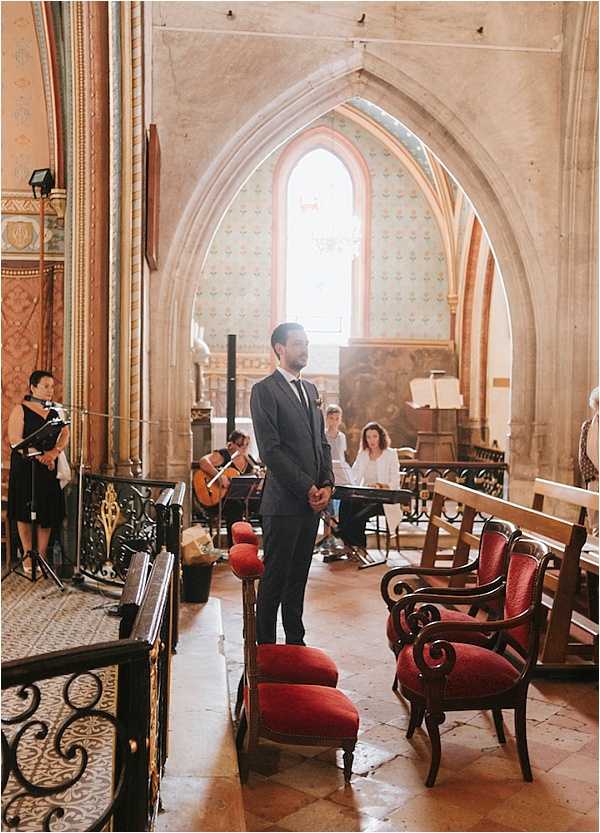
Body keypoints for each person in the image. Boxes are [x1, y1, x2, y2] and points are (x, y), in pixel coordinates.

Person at [250, 322, 333, 645]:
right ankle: (266, 649)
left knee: (298, 578)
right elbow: (271, 450)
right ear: (279, 349)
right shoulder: (265, 390)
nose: (305, 349)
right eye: (298, 343)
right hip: (283, 504)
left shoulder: (311, 391)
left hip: (311, 504)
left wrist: (326, 484)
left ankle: (295, 642)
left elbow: (321, 443)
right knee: (274, 580)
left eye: (307, 343)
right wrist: (306, 487)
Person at [7, 370, 70, 573]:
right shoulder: (20, 409)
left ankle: (41, 556)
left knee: (48, 510)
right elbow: (15, 439)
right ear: (33, 387)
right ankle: (27, 555)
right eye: (46, 386)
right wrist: (40, 456)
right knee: (24, 511)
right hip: (25, 466)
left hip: (48, 466)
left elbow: (65, 434)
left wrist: (54, 453)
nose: (50, 390)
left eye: (52, 386)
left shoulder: (56, 411)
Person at [335, 421, 399, 555]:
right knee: (346, 502)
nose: (372, 440)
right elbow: (354, 476)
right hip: (366, 495)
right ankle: (350, 545)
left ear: (381, 437)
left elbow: (395, 482)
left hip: (384, 499)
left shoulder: (390, 454)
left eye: (374, 436)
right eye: (368, 437)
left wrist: (380, 485)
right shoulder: (363, 454)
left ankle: (355, 544)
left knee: (358, 511)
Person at [196, 430, 256, 548]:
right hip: (217, 498)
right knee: (235, 507)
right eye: (240, 445)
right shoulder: (224, 455)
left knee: (263, 504)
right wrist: (218, 476)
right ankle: (234, 546)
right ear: (231, 444)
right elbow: (203, 461)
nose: (243, 448)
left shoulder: (249, 461)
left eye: (246, 445)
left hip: (242, 498)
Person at [321, 404, 347, 551]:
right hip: (327, 472)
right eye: (331, 418)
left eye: (337, 418)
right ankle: (327, 537)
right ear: (327, 419)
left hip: (339, 473)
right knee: (327, 509)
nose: (334, 421)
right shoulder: (323, 435)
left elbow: (342, 455)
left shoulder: (342, 437)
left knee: (337, 508)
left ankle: (337, 538)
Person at [579, 387, 599, 533]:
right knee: (596, 523)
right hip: (595, 479)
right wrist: (594, 475)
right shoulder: (587, 427)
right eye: (598, 404)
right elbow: (583, 456)